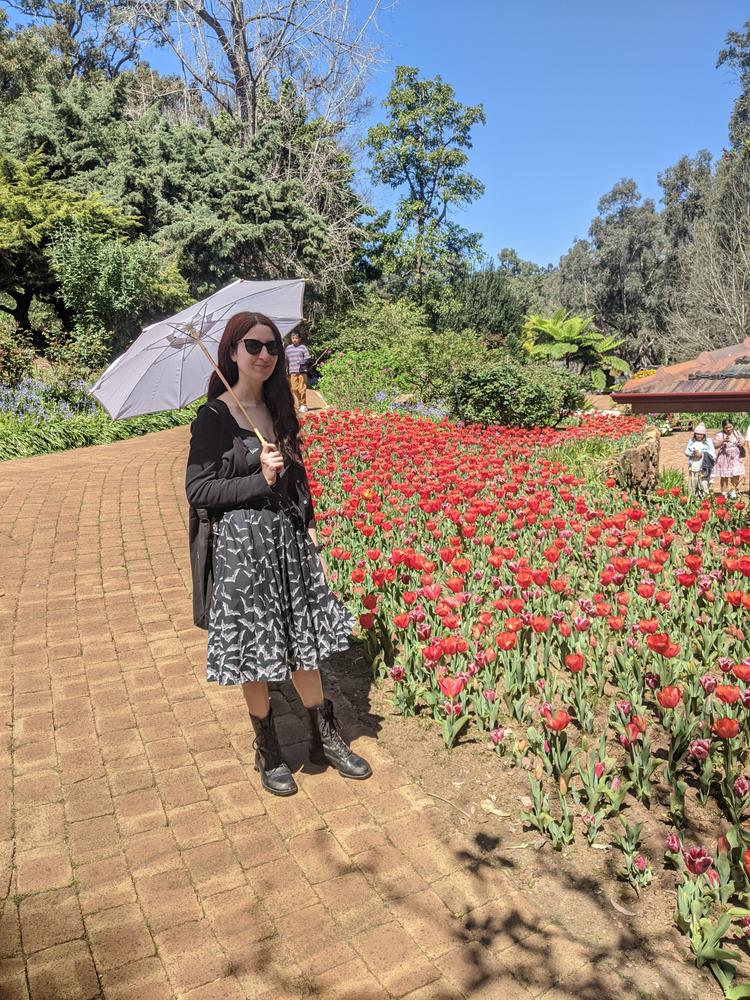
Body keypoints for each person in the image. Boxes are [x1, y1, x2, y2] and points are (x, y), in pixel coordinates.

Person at [185, 311, 371, 796]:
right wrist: (257, 479)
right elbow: (199, 489)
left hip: (288, 542)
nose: (264, 355)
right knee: (255, 649)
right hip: (243, 551)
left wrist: (310, 529)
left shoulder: (279, 408)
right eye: (253, 346)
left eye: (272, 347)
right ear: (232, 351)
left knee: (302, 639)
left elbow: (299, 478)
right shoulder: (214, 418)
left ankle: (323, 737)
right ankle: (268, 749)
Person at [712, 418, 745, 498]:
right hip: (724, 459)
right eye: (726, 428)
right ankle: (724, 493)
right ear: (723, 428)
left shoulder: (736, 433)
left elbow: (743, 440)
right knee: (724, 476)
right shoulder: (719, 435)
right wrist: (722, 441)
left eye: (730, 427)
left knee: (736, 475)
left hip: (736, 458)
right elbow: (715, 446)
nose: (728, 429)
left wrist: (741, 443)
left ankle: (733, 491)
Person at [684, 423, 715, 495]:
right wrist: (693, 453)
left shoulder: (708, 441)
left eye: (701, 434)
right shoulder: (691, 441)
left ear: (704, 435)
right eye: (697, 434)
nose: (699, 436)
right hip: (694, 465)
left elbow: (712, 453)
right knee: (693, 482)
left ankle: (704, 498)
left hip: (704, 465)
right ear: (695, 434)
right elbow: (686, 452)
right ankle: (693, 497)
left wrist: (702, 454)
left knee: (703, 482)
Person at [285, 330, 311, 413]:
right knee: (294, 388)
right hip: (292, 371)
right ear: (291, 339)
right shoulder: (288, 348)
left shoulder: (303, 347)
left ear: (299, 339)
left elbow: (307, 358)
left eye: (296, 338)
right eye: (293, 338)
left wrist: (302, 362)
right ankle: (301, 403)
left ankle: (304, 405)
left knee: (302, 388)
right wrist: (285, 368)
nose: (294, 339)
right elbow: (285, 359)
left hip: (302, 371)